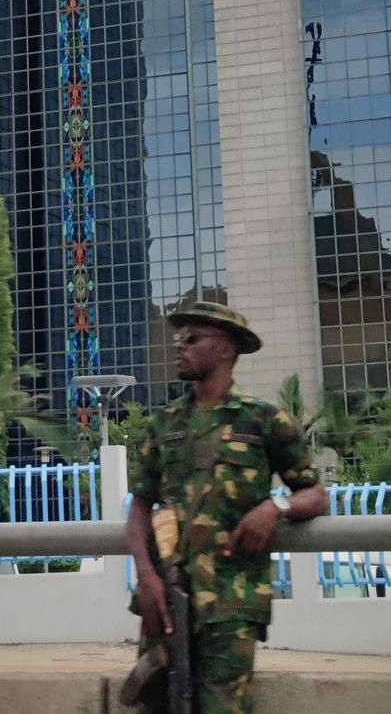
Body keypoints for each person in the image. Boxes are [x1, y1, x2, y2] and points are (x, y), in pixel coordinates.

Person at [124, 301, 328, 713]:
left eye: (192, 339)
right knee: (157, 704)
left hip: (231, 603)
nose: (180, 347)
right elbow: (140, 506)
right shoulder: (162, 426)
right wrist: (146, 577)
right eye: (179, 338)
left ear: (225, 350)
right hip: (166, 598)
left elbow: (316, 495)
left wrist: (274, 508)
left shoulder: (265, 421)